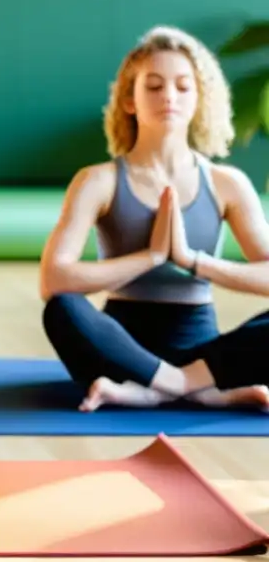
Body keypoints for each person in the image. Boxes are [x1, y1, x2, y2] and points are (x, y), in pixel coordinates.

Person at [39, 25, 269, 413]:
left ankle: (169, 387)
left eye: (182, 86)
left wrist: (192, 261)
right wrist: (150, 256)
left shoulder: (227, 183)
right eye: (154, 86)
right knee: (62, 310)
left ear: (199, 99)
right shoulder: (99, 181)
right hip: (119, 351)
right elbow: (53, 279)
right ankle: (191, 389)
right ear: (130, 99)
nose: (169, 97)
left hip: (204, 355)